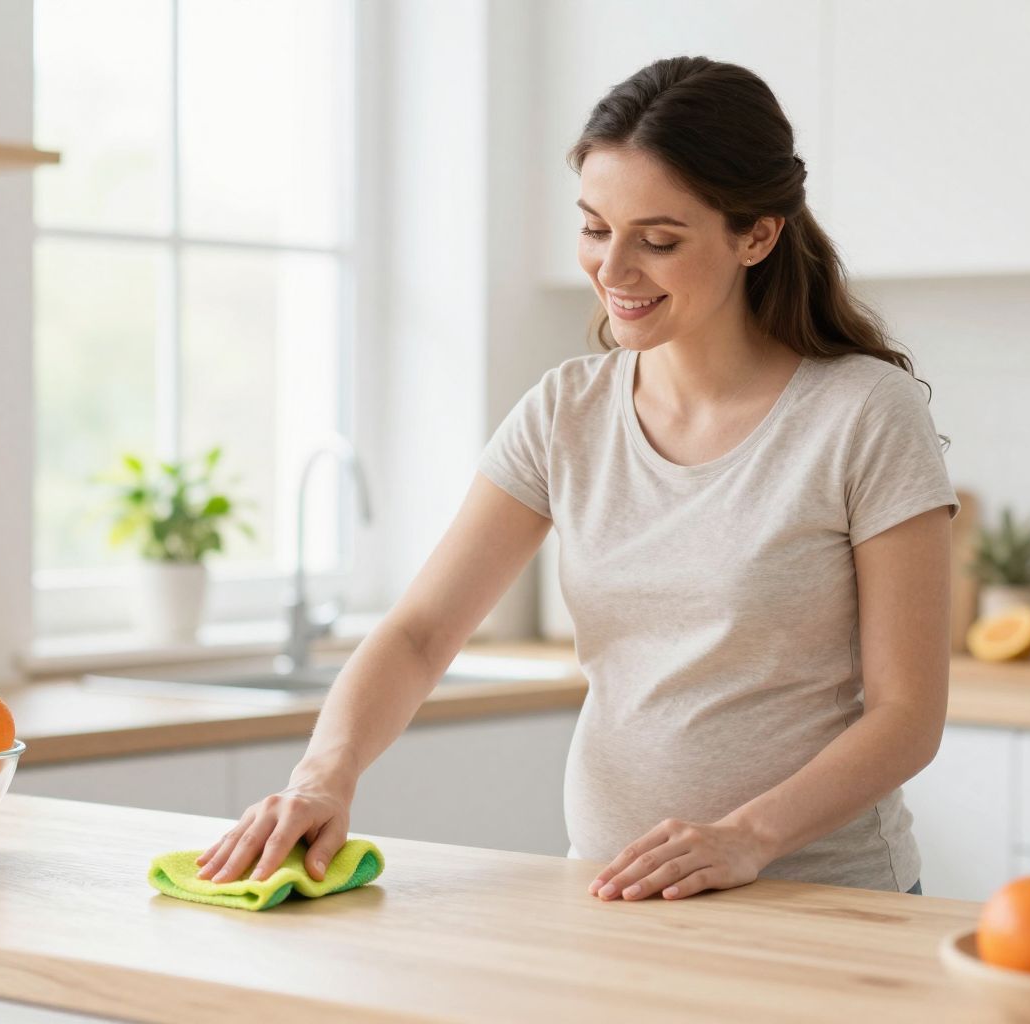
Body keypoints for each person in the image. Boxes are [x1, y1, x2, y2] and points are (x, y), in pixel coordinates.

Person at [196, 56, 956, 901]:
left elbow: (906, 715)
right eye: (596, 228)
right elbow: (419, 634)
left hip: (818, 899)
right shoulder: (566, 412)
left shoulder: (862, 414)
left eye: (658, 241)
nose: (614, 270)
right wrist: (323, 775)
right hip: (609, 892)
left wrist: (745, 839)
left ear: (758, 235)